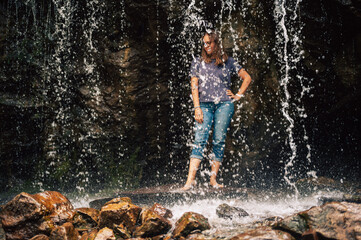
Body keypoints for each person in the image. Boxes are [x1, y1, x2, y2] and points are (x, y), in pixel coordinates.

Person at [181, 29, 252, 190]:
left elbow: (247, 77)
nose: (206, 46)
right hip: (204, 105)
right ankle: (190, 180)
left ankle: (213, 180)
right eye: (204, 43)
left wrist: (238, 95)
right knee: (200, 139)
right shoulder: (198, 62)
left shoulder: (229, 61)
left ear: (216, 43)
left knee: (219, 140)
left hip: (224, 105)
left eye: (209, 42)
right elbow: (194, 85)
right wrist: (196, 107)